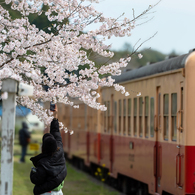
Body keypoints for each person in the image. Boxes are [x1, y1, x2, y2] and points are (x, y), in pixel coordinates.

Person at [30, 106, 67, 195]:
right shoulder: (60, 150)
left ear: (43, 147)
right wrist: (55, 115)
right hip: (59, 192)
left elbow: (36, 179)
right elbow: (56, 131)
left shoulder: (43, 163)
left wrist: (33, 172)